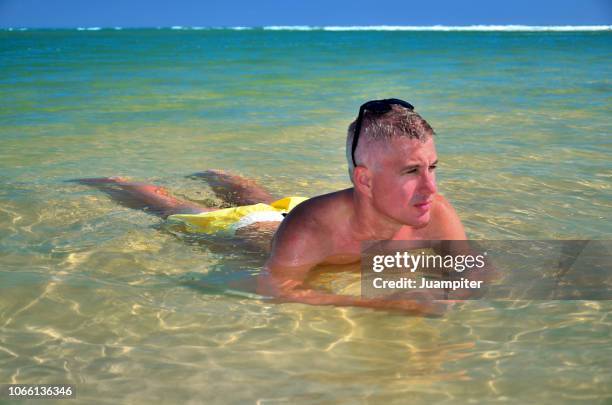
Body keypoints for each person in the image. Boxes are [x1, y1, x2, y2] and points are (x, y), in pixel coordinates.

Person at [77, 98, 467, 315]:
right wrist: (380, 303)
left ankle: (215, 172)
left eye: (433, 167)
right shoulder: (313, 225)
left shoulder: (435, 210)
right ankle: (114, 182)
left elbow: (464, 279)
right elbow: (275, 288)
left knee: (248, 189)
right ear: (365, 179)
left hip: (313, 211)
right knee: (172, 207)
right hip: (254, 229)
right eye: (412, 171)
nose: (431, 187)